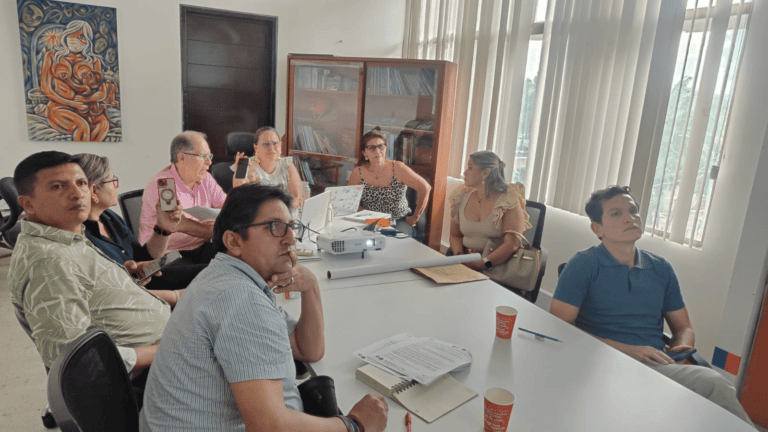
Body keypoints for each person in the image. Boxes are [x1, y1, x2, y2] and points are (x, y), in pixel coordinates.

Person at [139, 184, 389, 432]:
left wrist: (310, 287)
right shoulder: (241, 300)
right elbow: (268, 427)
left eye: (291, 227)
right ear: (234, 241)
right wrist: (354, 425)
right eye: (276, 228)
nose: (291, 239)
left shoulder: (230, 277)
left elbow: (308, 349)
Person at [550, 186, 754, 426]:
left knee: (712, 389)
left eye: (633, 211)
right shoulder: (583, 265)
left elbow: (683, 328)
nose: (630, 217)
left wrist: (680, 348)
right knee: (714, 385)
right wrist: (628, 350)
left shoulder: (661, 268)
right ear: (598, 228)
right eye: (616, 213)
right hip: (599, 362)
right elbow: (558, 326)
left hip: (655, 365)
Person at [8, 151, 179, 374]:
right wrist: (162, 351)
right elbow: (76, 358)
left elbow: (86, 287)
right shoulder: (49, 262)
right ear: (28, 204)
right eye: (58, 186)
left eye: (81, 183)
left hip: (162, 342)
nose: (77, 193)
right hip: (146, 373)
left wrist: (123, 274)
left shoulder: (66, 237)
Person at [75, 154, 204, 291]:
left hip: (147, 280)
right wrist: (176, 297)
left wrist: (163, 228)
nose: (116, 186)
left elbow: (143, 257)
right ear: (94, 190)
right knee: (213, 273)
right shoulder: (78, 234)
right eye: (112, 181)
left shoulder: (109, 217)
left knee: (214, 268)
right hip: (134, 294)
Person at [140, 131, 226, 264]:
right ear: (181, 158)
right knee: (213, 272)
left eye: (209, 156)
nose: (209, 162)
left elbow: (229, 210)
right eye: (203, 156)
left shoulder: (206, 179)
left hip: (198, 248)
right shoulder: (164, 185)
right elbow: (177, 224)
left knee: (240, 259)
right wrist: (213, 230)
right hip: (168, 255)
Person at [448, 151, 530, 281]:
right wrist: (459, 257)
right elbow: (455, 235)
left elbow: (512, 244)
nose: (464, 172)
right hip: (464, 265)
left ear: (485, 173)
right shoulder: (461, 197)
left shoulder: (508, 201)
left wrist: (483, 263)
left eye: (470, 167)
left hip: (496, 270)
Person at [40, 20, 119, 142]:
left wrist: (87, 100)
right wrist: (71, 103)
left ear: (88, 40)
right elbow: (46, 89)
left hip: (85, 108)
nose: (74, 39)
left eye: (81, 37)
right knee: (82, 126)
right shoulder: (52, 56)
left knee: (102, 124)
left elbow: (100, 91)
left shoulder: (93, 60)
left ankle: (88, 160)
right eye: (71, 35)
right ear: (66, 36)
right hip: (59, 107)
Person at [347, 128, 431, 232]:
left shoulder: (398, 168)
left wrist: (416, 216)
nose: (377, 151)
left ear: (386, 148)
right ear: (364, 153)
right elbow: (351, 200)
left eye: (380, 146)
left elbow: (425, 188)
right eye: (372, 148)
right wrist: (367, 216)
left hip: (398, 221)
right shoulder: (358, 172)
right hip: (369, 221)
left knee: (395, 240)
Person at [231, 126, 303, 207]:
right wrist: (240, 170)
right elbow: (239, 198)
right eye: (266, 144)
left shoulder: (287, 163)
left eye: (275, 143)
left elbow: (297, 198)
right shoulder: (244, 165)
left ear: (280, 144)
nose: (272, 148)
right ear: (256, 147)